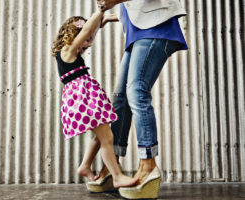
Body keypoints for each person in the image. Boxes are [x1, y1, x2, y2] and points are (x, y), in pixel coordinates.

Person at [86, 0, 188, 198]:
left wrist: (112, 2)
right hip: (137, 35)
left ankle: (148, 164)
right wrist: (111, 16)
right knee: (119, 100)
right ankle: (112, 167)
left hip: (157, 31)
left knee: (137, 92)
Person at [51, 7, 139, 189]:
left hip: (85, 99)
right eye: (86, 40)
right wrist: (100, 11)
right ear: (73, 35)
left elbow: (88, 30)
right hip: (83, 100)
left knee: (100, 137)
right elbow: (85, 31)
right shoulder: (68, 49)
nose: (88, 44)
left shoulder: (67, 52)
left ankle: (84, 166)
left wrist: (107, 19)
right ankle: (116, 176)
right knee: (107, 138)